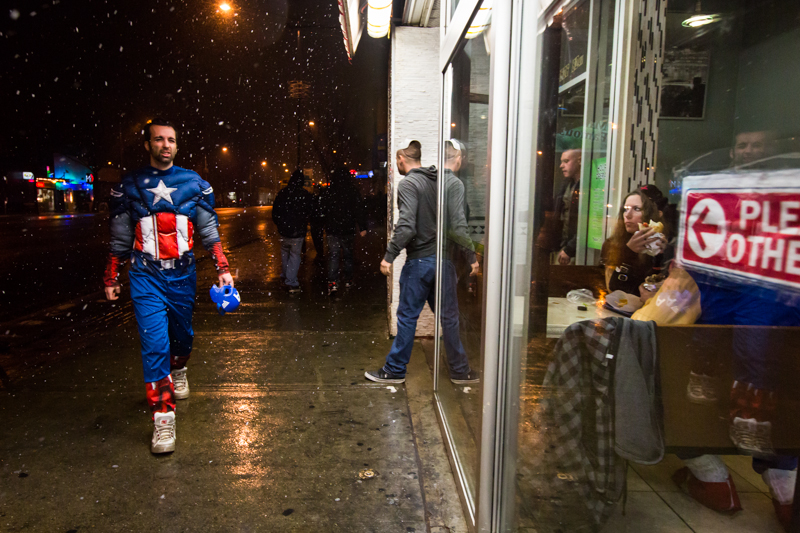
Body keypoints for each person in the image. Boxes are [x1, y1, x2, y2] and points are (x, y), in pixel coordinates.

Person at [103, 118, 234, 454]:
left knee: (183, 336)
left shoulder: (193, 183)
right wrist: (112, 274)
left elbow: (208, 229)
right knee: (154, 344)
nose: (165, 145)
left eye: (171, 140)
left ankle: (179, 368)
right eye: (158, 140)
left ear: (177, 145)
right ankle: (163, 419)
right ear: (147, 145)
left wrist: (222, 268)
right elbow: (119, 235)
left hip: (182, 275)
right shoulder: (130, 185)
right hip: (145, 276)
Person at [365, 140, 479, 385]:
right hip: (444, 262)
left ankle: (395, 370)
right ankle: (460, 371)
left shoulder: (410, 184)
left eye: (397, 161)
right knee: (449, 318)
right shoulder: (441, 182)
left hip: (420, 263)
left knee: (407, 317)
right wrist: (471, 257)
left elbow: (406, 226)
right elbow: (458, 225)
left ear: (401, 160)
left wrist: (389, 256)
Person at [600, 189, 667, 297]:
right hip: (620, 307)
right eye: (625, 209)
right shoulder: (612, 244)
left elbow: (664, 289)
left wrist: (663, 257)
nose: (628, 215)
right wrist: (629, 252)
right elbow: (613, 289)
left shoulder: (661, 241)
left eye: (636, 209)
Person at [320, 168, 367, 295]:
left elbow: (322, 210)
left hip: (332, 229)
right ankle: (348, 279)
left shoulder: (329, 192)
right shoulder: (352, 192)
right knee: (348, 255)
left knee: (333, 256)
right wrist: (362, 226)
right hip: (347, 228)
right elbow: (359, 209)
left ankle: (333, 282)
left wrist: (322, 223)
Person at [272, 169, 312, 293]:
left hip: (284, 230)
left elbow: (275, 212)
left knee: (285, 254)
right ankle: (291, 281)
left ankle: (285, 276)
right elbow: (309, 212)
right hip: (297, 231)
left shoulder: (282, 193)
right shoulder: (304, 195)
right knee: (294, 255)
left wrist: (280, 224)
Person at [555, 149, 582, 265]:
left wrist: (571, 248)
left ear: (580, 161)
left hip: (578, 248)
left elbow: (588, 220)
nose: (561, 166)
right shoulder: (567, 184)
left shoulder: (587, 186)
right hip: (564, 244)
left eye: (566, 161)